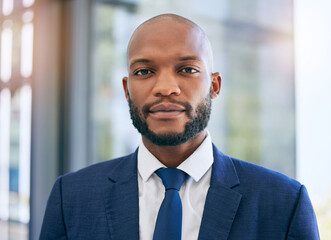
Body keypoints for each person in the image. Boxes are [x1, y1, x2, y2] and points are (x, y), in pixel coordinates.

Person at [39, 14, 319, 240]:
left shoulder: (283, 203)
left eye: (187, 69)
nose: (165, 88)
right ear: (127, 89)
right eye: (144, 72)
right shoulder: (72, 197)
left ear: (215, 85)